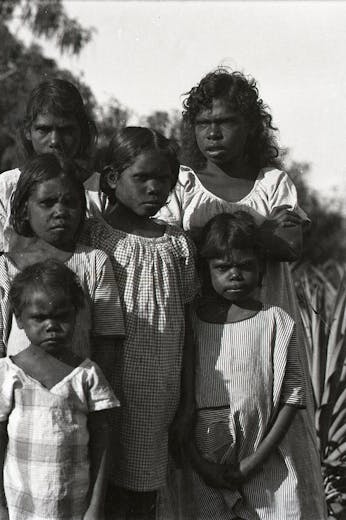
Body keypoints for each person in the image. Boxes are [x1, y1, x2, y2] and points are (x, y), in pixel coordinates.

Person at [0, 154, 125, 519]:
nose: (61, 211)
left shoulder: (94, 262)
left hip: (73, 409)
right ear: (24, 209)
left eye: (71, 202)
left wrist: (87, 395)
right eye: (48, 202)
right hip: (12, 409)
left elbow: (107, 337)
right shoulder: (2, 266)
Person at [181, 212, 326, 519]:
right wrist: (198, 461)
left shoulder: (276, 321)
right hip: (206, 456)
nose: (234, 274)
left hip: (266, 454)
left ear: (261, 270)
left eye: (245, 266)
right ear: (206, 272)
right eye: (222, 267)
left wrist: (255, 460)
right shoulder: (192, 324)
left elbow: (293, 396)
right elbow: (186, 402)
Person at [89, 127, 199, 519]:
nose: (154, 188)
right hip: (107, 384)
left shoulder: (177, 244)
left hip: (158, 394)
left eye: (164, 180)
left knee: (142, 497)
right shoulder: (96, 238)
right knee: (101, 492)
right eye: (142, 178)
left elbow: (188, 332)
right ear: (113, 178)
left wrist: (187, 401)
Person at [157, 67, 307, 326]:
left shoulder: (272, 182)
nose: (213, 133)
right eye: (203, 123)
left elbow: (291, 245)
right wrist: (261, 233)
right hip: (203, 327)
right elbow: (167, 249)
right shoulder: (181, 183)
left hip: (268, 322)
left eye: (225, 122)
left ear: (249, 126)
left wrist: (204, 239)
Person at [0, 259, 120, 520]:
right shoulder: (8, 372)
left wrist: (95, 506)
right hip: (21, 505)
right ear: (19, 320)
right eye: (39, 318)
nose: (51, 325)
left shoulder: (87, 375)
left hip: (72, 505)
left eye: (61, 316)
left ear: (76, 315)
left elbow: (103, 442)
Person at [0, 78, 104, 253]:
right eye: (44, 130)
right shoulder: (6, 187)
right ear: (28, 131)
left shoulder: (100, 189)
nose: (55, 141)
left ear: (82, 131)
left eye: (66, 130)